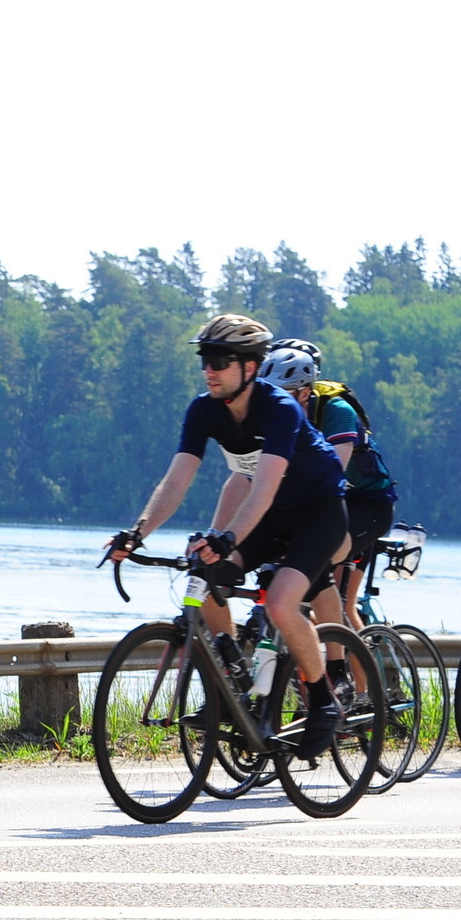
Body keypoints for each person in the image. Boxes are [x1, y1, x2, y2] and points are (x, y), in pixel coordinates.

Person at [107, 314, 350, 758]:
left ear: (250, 367)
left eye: (219, 361)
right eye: (205, 360)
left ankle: (322, 699)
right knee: (204, 575)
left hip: (318, 513)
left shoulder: (279, 409)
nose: (209, 370)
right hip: (270, 515)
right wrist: (137, 533)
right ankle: (230, 670)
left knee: (280, 603)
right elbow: (176, 481)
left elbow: (263, 487)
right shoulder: (204, 410)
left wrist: (228, 537)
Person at [259, 340, 399, 694]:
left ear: (305, 390)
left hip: (366, 504)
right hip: (321, 505)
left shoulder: (336, 410)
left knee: (324, 573)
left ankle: (353, 685)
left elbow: (333, 472)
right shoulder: (275, 415)